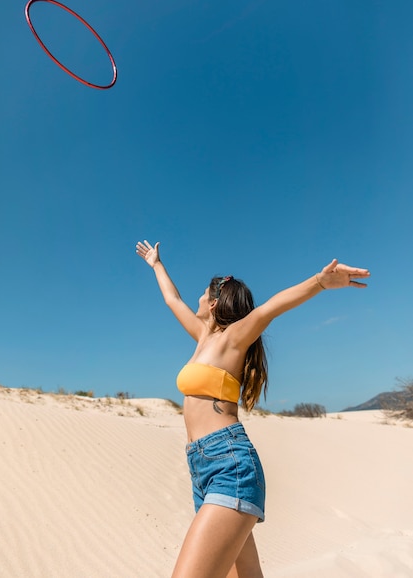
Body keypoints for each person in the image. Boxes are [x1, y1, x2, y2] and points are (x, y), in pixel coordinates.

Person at [135, 239, 370, 578]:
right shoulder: (202, 337)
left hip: (229, 464)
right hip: (202, 469)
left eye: (203, 293)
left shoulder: (234, 338)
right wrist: (156, 264)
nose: (197, 299)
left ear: (214, 302)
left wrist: (320, 281)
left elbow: (269, 309)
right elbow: (173, 299)